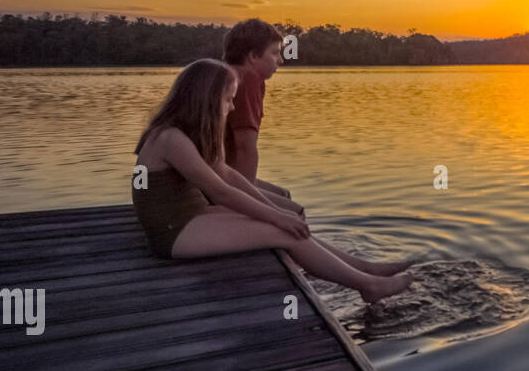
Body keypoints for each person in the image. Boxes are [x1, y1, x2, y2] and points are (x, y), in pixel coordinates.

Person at [131, 58, 412, 304]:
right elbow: (221, 192)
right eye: (228, 99)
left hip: (191, 217)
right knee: (283, 232)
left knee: (287, 223)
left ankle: (366, 269)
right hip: (173, 234)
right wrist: (278, 219)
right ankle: (370, 286)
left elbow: (228, 175)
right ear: (206, 99)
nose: (230, 108)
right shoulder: (170, 139)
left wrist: (279, 212)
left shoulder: (189, 134)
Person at [221, 19, 294, 206]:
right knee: (293, 211)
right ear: (253, 56)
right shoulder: (247, 80)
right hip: (211, 178)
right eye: (275, 53)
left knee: (283, 195)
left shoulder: (223, 74)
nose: (281, 60)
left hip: (212, 172)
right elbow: (244, 145)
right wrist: (247, 200)